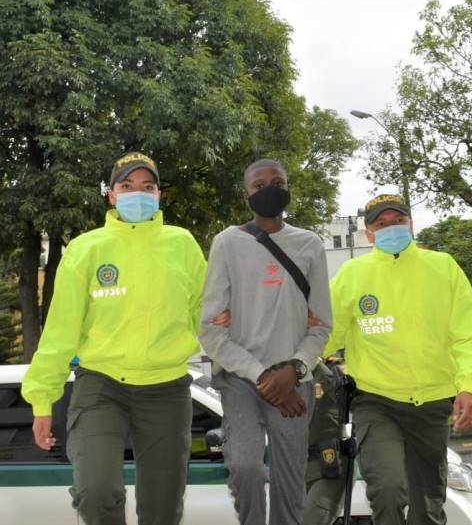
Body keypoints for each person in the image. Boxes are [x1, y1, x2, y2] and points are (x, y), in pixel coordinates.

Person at [21, 152, 207, 525]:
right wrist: (42, 399)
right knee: (96, 491)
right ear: (111, 195)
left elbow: (208, 316)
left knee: (163, 507)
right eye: (127, 186)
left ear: (158, 194)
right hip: (101, 386)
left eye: (147, 186)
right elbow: (60, 330)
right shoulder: (86, 249)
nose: (138, 193)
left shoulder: (182, 244)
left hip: (167, 389)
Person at [325, 193, 472, 525]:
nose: (391, 229)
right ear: (369, 233)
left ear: (410, 224)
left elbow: (470, 334)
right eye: (381, 224)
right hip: (376, 401)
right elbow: (325, 334)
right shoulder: (351, 275)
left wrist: (470, 386)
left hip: (432, 403)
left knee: (427, 507)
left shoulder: (442, 267)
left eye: (398, 221)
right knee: (386, 491)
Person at [199, 158, 332, 525]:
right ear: (246, 195)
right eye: (260, 185)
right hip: (241, 381)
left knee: (291, 482)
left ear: (288, 188)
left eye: (278, 181)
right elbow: (210, 329)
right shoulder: (227, 243)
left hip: (295, 384)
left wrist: (296, 367)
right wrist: (264, 376)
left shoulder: (309, 244)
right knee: (246, 467)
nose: (269, 189)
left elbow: (321, 324)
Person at [303, 355, 349, 525]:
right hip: (296, 467)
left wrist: (315, 363)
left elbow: (346, 398)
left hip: (329, 465)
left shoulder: (337, 364)